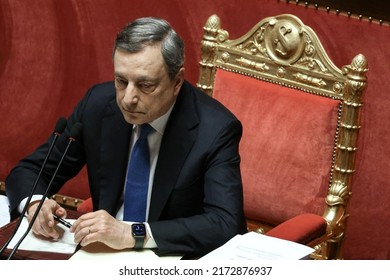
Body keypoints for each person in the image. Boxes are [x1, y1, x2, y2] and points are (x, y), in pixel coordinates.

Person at [5, 17, 246, 257]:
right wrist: (36, 204)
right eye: (121, 81)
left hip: (167, 259)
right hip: (97, 255)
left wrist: (133, 233)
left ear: (177, 82)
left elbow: (226, 223)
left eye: (145, 85)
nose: (127, 98)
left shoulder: (215, 129)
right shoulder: (98, 105)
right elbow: (32, 171)